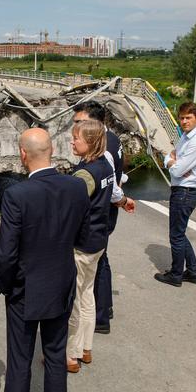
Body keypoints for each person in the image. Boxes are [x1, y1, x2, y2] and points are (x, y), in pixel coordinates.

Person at [0, 128, 90, 392]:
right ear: (52, 151)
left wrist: (3, 283)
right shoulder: (76, 186)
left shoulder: (17, 195)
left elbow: (7, 252)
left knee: (19, 361)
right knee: (56, 356)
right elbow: (83, 236)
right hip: (61, 283)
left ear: (23, 154)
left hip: (24, 288)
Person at [67, 119, 135, 373]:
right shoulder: (106, 165)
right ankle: (86, 348)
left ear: (91, 142)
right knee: (87, 295)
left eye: (77, 138)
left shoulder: (85, 174)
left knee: (73, 300)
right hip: (98, 241)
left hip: (81, 245)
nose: (72, 141)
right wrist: (126, 200)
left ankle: (70, 356)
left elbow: (70, 207)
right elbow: (115, 193)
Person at [72, 101, 124, 334]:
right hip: (103, 213)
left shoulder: (101, 159)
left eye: (79, 123)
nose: (74, 130)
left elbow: (109, 187)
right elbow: (114, 181)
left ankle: (101, 317)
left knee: (94, 271)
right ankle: (103, 310)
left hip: (96, 218)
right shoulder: (111, 140)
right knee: (99, 264)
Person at [154, 101, 196, 287]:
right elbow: (170, 156)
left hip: (184, 192)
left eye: (189, 118)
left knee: (176, 236)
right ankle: (193, 272)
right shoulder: (185, 136)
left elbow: (176, 171)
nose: (184, 121)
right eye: (182, 118)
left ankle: (176, 274)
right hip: (181, 191)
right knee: (180, 233)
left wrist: (172, 163)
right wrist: (172, 161)